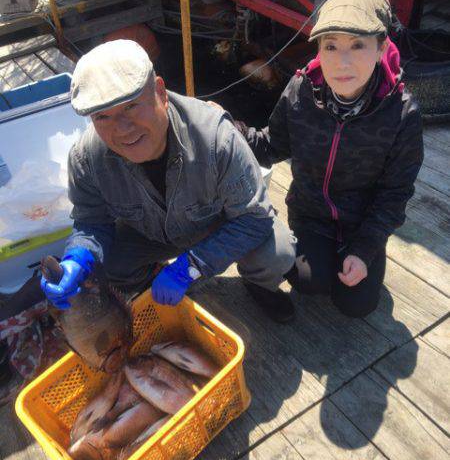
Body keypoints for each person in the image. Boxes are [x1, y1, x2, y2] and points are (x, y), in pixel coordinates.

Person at [40, 40, 297, 323]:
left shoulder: (217, 138)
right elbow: (91, 222)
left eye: (132, 106)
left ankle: (257, 284)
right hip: (150, 232)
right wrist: (78, 256)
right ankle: (152, 285)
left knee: (277, 254)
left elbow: (253, 219)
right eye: (103, 116)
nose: (123, 129)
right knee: (108, 267)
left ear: (161, 93)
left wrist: (188, 268)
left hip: (217, 225)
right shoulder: (85, 158)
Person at [232, 0, 424, 317]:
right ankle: (319, 254)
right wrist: (226, 127)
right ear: (319, 48)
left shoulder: (402, 114)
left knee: (356, 305)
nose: (342, 61)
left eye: (358, 45)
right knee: (308, 282)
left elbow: (395, 193)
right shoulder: (300, 90)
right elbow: (271, 145)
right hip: (310, 217)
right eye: (331, 45)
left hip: (361, 224)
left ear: (381, 48)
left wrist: (365, 250)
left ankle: (365, 258)